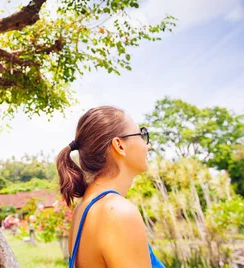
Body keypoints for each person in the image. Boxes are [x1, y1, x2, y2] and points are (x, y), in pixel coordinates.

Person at [56, 106, 164, 268]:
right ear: (119, 145)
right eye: (141, 135)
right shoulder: (118, 211)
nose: (147, 145)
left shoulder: (83, 209)